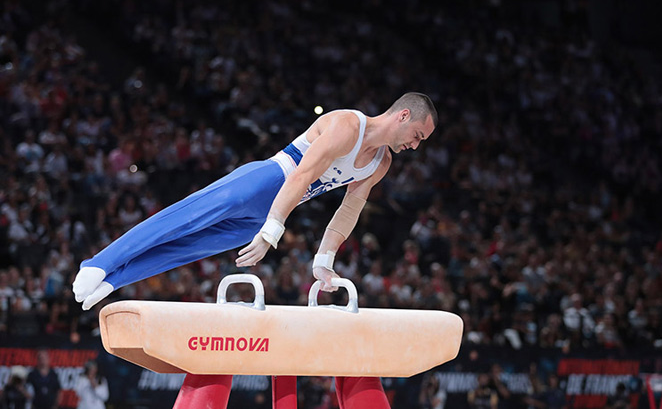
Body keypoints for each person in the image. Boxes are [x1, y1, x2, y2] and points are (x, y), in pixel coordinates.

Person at [72, 92, 437, 408]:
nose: (416, 146)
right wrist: (272, 230)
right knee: (180, 221)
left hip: (271, 213)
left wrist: (324, 261)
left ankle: (116, 278)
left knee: (190, 248)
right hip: (264, 183)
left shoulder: (380, 163)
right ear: (402, 115)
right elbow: (302, 175)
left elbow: (349, 209)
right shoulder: (347, 126)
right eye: (418, 135)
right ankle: (101, 263)